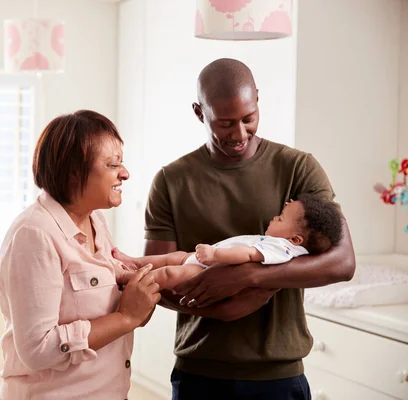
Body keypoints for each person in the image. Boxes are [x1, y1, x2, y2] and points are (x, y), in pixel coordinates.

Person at [115, 58, 356, 400]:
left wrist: (250, 278)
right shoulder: (171, 181)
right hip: (199, 371)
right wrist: (218, 307)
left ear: (257, 98)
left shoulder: (299, 168)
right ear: (200, 113)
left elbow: (343, 262)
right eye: (225, 123)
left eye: (249, 118)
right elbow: (157, 285)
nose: (240, 134)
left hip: (278, 374)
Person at [0, 110, 161, 399]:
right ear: (74, 170)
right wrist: (125, 318)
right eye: (113, 164)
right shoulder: (34, 235)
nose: (125, 173)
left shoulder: (94, 221)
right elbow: (37, 350)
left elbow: (100, 297)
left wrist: (137, 292)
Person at [115, 194, 343, 293]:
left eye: (280, 218)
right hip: (204, 262)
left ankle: (128, 277)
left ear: (295, 239)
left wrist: (215, 255)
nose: (274, 218)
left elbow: (247, 255)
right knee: (168, 259)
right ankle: (133, 261)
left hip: (206, 268)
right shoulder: (280, 243)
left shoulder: (282, 249)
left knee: (168, 274)